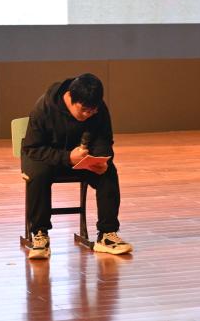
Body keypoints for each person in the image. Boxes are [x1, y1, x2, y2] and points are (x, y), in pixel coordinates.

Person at [21, 73, 133, 259]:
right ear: (70, 98)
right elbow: (32, 149)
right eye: (84, 110)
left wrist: (101, 159)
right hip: (46, 157)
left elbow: (104, 139)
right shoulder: (44, 108)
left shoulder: (98, 108)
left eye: (93, 111)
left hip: (82, 158)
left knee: (109, 173)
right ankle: (40, 234)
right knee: (38, 174)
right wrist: (67, 157)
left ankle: (107, 234)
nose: (89, 114)